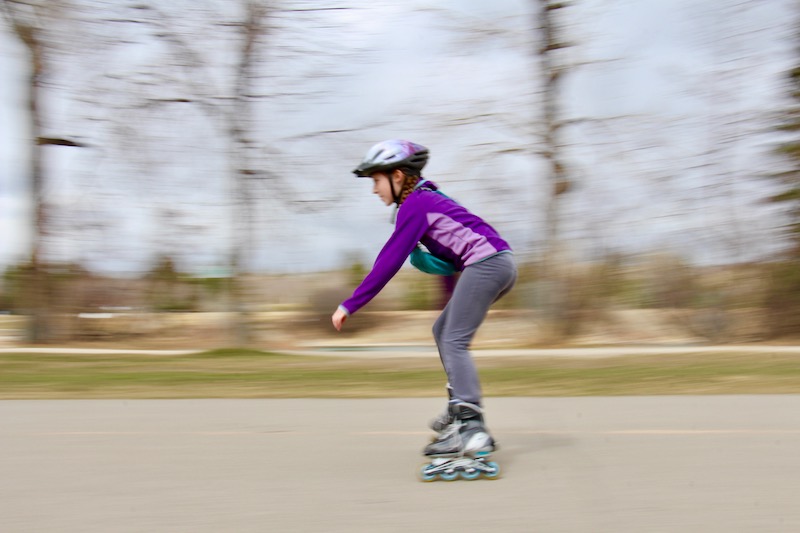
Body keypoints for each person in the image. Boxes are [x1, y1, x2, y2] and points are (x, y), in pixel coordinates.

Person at [331, 139, 517, 459]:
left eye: (376, 180)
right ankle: (459, 410)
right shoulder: (427, 200)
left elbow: (388, 261)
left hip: (488, 264)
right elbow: (450, 260)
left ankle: (472, 428)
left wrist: (351, 303)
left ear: (398, 176)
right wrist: (447, 296)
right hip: (494, 263)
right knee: (442, 331)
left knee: (454, 339)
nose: (374, 189)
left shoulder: (415, 205)